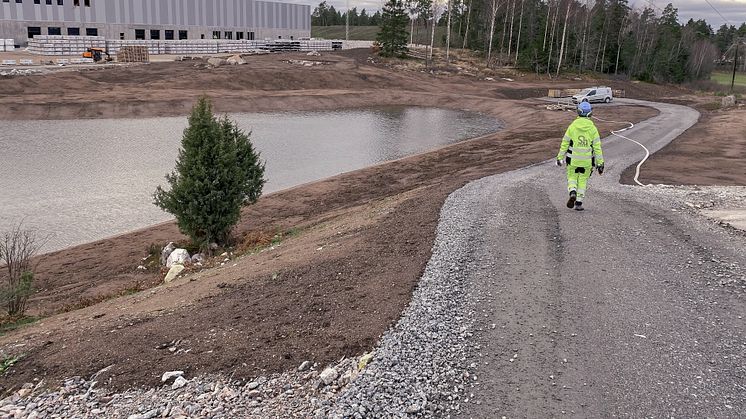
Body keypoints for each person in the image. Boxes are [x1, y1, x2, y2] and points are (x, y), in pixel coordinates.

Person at [556, 101, 605, 211]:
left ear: (578, 112)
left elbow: (565, 143)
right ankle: (578, 203)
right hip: (587, 162)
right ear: (590, 113)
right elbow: (597, 148)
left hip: (573, 161)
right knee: (583, 181)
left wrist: (560, 157)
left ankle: (572, 191)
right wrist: (600, 163)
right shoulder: (593, 129)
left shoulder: (572, 127)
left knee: (572, 178)